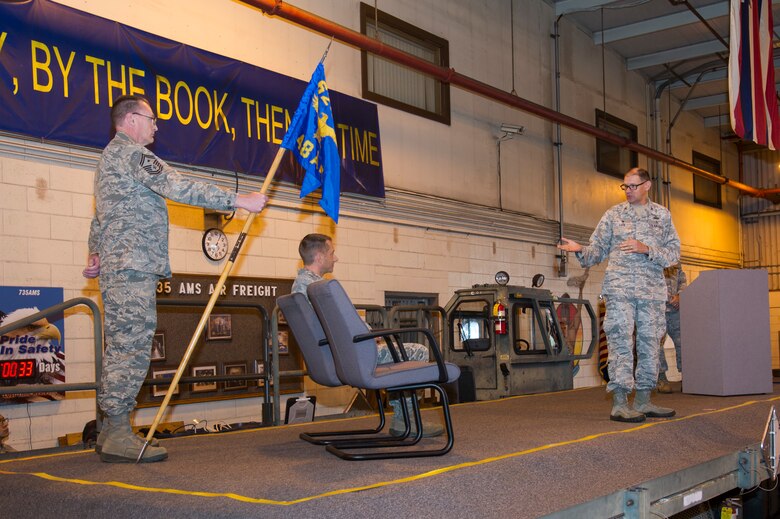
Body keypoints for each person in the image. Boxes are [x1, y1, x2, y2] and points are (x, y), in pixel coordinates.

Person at [83, 94, 268, 463]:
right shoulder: (132, 154)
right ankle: (117, 431)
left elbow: (100, 216)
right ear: (131, 119)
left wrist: (96, 251)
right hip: (133, 265)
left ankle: (112, 429)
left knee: (121, 344)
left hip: (122, 264)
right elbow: (177, 185)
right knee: (131, 346)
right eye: (151, 118)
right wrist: (238, 200)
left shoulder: (108, 159)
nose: (156, 125)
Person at [557, 167, 680, 423]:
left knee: (650, 344)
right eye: (625, 186)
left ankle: (644, 400)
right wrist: (580, 249)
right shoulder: (613, 215)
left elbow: (673, 254)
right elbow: (596, 252)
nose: (628, 191)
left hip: (651, 292)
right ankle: (620, 403)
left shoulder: (662, 215)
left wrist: (646, 249)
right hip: (620, 290)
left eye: (633, 186)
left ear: (647, 185)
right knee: (620, 343)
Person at [291, 233, 443, 437]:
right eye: (332, 253)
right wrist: (366, 335)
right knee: (418, 351)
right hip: (350, 356)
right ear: (319, 256)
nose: (336, 258)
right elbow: (337, 325)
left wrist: (366, 333)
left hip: (337, 353)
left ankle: (403, 419)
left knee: (400, 354)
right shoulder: (317, 289)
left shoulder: (301, 286)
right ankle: (405, 420)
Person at [656, 263, 686, 393]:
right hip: (657, 310)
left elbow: (682, 280)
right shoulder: (650, 257)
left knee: (683, 343)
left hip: (676, 312)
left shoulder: (675, 261)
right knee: (657, 345)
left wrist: (680, 296)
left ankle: (687, 376)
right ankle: (661, 378)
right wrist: (668, 298)